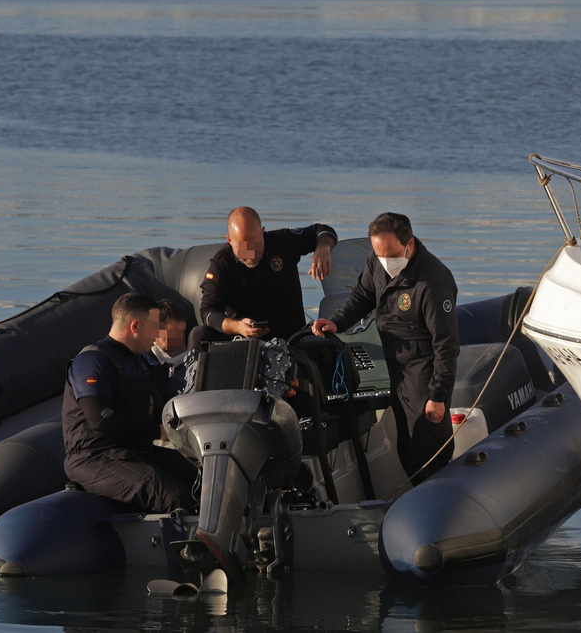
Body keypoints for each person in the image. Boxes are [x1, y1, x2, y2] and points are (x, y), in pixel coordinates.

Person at [312, 212, 459, 482]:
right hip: (395, 365)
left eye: (391, 255)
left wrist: (438, 396)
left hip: (423, 371)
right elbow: (362, 295)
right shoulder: (378, 259)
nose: (385, 261)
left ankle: (439, 494)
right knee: (407, 446)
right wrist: (337, 322)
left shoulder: (433, 282)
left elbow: (446, 345)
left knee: (426, 447)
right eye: (379, 255)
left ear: (409, 244)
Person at [62, 293, 198, 512]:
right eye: (154, 328)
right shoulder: (93, 360)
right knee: (172, 498)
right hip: (95, 457)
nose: (157, 336)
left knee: (201, 478)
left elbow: (158, 410)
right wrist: (156, 431)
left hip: (134, 451)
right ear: (135, 327)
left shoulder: (138, 364)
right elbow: (100, 418)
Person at [189, 206, 338, 351]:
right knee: (199, 334)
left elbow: (322, 230)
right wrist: (237, 326)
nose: (251, 252)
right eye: (243, 246)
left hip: (290, 340)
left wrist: (323, 248)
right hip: (242, 341)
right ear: (229, 240)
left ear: (262, 232)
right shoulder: (221, 265)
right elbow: (208, 311)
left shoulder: (281, 242)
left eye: (256, 243)